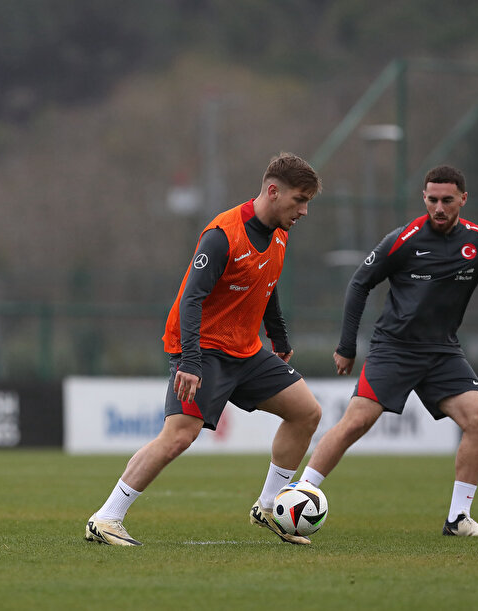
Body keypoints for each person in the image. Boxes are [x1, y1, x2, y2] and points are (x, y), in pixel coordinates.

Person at [300, 165, 478, 538]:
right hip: (394, 348)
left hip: (442, 352)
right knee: (356, 422)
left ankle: (458, 518)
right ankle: (300, 494)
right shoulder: (403, 239)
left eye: (447, 200)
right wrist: (346, 346)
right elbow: (360, 283)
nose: (439, 208)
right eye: (432, 200)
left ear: (463, 199)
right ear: (424, 198)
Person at [85, 152, 323, 546]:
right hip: (203, 349)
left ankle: (267, 507)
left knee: (306, 412)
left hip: (246, 350)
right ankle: (106, 518)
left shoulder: (280, 233)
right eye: (299, 200)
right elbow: (191, 299)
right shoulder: (223, 234)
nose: (304, 211)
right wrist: (191, 362)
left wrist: (278, 337)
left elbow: (267, 281)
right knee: (179, 436)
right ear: (273, 191)